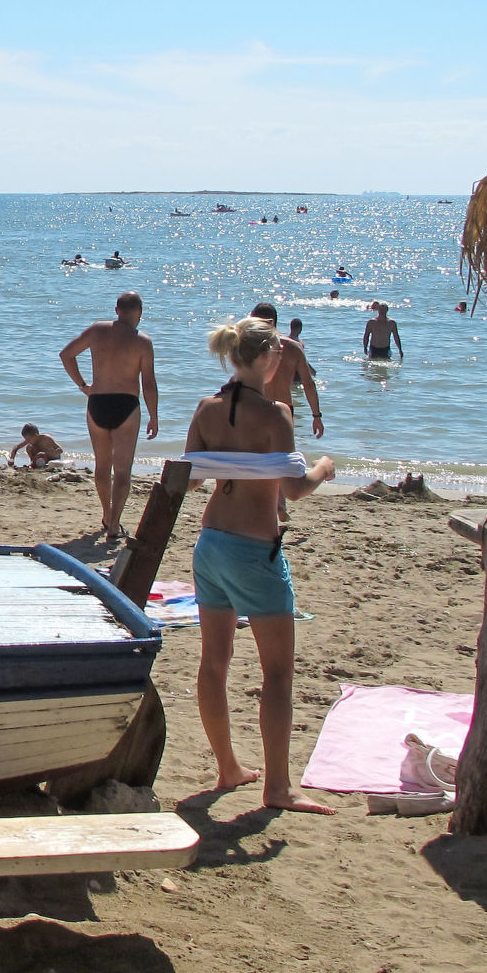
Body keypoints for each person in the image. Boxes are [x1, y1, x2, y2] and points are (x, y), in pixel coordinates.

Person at [187, 317, 338, 814]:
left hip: (211, 543)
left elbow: (189, 477)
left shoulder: (207, 408)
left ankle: (228, 767)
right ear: (268, 357)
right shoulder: (277, 414)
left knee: (214, 661)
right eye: (277, 352)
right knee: (277, 673)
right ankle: (278, 787)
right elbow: (293, 488)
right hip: (254, 550)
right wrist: (323, 468)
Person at [58, 292, 160, 541]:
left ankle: (106, 514)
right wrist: (154, 416)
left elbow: (66, 355)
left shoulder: (96, 330)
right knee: (123, 471)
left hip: (98, 402)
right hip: (126, 405)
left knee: (102, 466)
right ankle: (114, 523)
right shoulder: (143, 341)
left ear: (117, 310)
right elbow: (148, 383)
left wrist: (83, 386)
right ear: (140, 313)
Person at [251, 303, 323, 438]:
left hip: (257, 408)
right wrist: (316, 416)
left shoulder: (250, 347)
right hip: (285, 410)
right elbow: (308, 384)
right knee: (283, 449)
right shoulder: (294, 347)